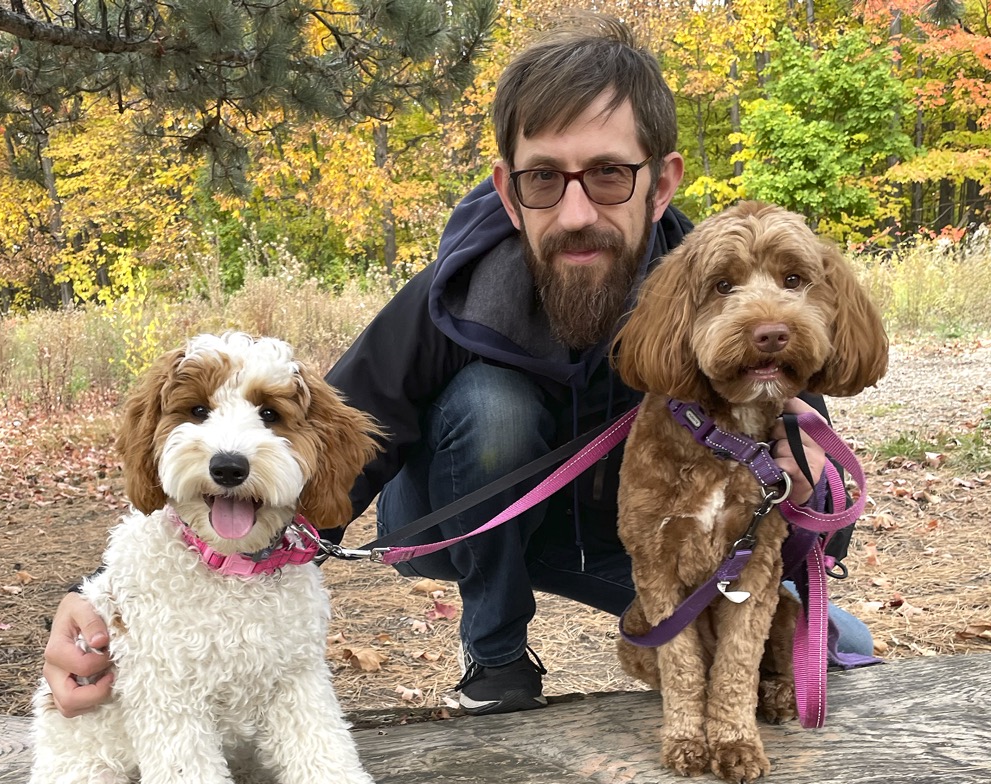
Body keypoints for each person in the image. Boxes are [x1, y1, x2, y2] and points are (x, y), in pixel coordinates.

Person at [43, 13, 873, 720]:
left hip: (651, 538)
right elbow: (312, 446)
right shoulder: (453, 295)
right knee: (495, 402)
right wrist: (100, 595)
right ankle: (495, 656)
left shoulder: (720, 291)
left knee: (840, 648)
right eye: (545, 178)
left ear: (661, 184)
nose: (577, 212)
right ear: (510, 192)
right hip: (474, 525)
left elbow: (797, 471)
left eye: (610, 175)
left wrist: (803, 539)